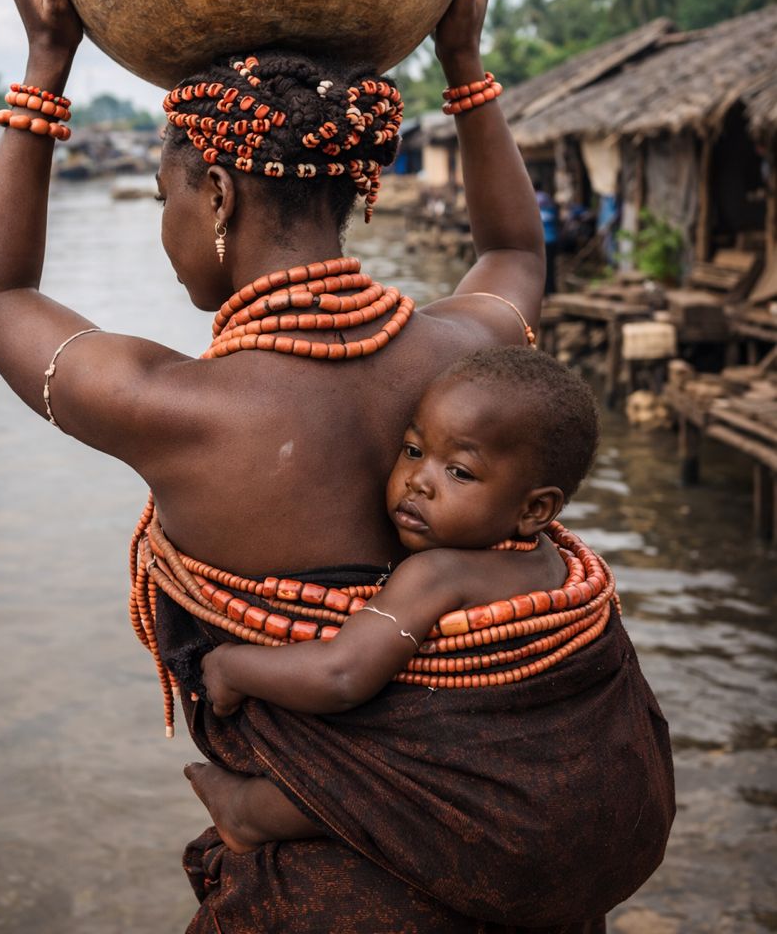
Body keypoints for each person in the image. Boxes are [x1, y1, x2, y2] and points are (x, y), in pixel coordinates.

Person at [0, 0, 672, 933]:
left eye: (167, 198)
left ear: (217, 195)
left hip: (339, 898)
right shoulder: (466, 354)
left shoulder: (172, 407)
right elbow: (520, 252)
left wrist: (44, 64)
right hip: (524, 859)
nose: (168, 222)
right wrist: (464, 63)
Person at [189, 344, 602, 850]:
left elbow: (340, 675)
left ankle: (246, 815)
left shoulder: (438, 573)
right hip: (555, 778)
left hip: (471, 785)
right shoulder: (556, 561)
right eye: (413, 450)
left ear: (536, 509)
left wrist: (232, 667)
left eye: (460, 472)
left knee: (367, 779)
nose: (417, 482)